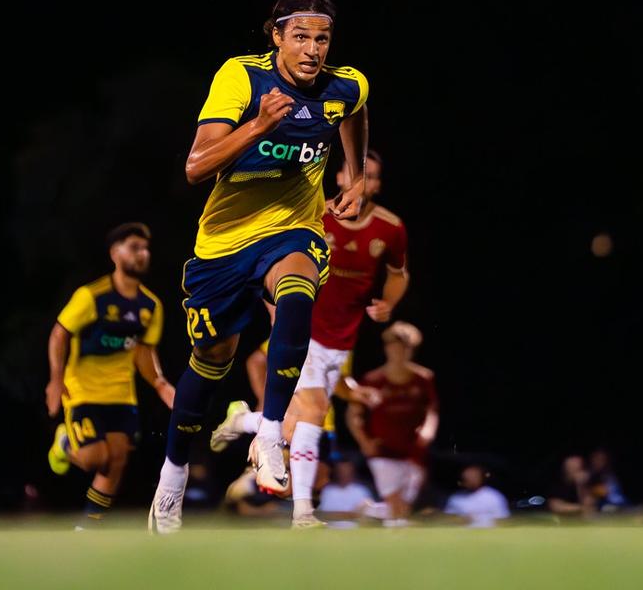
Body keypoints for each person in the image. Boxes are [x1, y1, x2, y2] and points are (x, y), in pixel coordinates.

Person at [149, 0, 369, 534]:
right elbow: (196, 168)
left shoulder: (347, 84)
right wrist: (261, 125)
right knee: (209, 365)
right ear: (276, 37)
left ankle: (270, 432)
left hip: (291, 229)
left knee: (298, 290)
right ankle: (169, 486)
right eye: (301, 37)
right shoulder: (241, 76)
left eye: (322, 38)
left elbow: (355, 112)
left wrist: (357, 175)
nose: (313, 50)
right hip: (222, 246)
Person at [212, 148, 407, 525]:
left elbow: (399, 274)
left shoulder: (390, 228)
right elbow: (275, 262)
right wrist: (277, 315)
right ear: (338, 178)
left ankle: (242, 422)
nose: (361, 182)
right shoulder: (315, 214)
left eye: (371, 176)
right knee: (315, 411)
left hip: (341, 343)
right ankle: (303, 513)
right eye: (353, 172)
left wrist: (389, 304)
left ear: (377, 185)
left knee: (294, 424)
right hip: (305, 331)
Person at [46, 223, 173, 526]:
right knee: (95, 459)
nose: (142, 254)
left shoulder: (151, 306)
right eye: (133, 248)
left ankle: (88, 527)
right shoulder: (92, 296)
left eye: (145, 249)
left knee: (116, 462)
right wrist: (55, 380)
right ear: (115, 254)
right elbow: (59, 334)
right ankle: (64, 443)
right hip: (83, 392)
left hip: (121, 395)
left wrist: (160, 383)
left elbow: (144, 351)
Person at [347, 322, 438, 527]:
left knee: (404, 506)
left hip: (412, 449)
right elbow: (354, 414)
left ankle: (370, 509)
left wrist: (428, 431)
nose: (399, 353)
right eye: (395, 347)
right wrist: (364, 441)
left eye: (405, 348)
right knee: (396, 504)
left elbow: (432, 411)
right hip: (382, 449)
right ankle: (398, 538)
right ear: (387, 349)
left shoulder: (423, 379)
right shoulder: (373, 380)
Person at [445, 465, 509, 528]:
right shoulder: (456, 498)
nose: (471, 480)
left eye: (473, 477)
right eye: (467, 478)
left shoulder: (494, 496)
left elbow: (502, 520)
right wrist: (462, 520)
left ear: (480, 478)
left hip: (488, 534)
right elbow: (448, 520)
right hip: (463, 535)